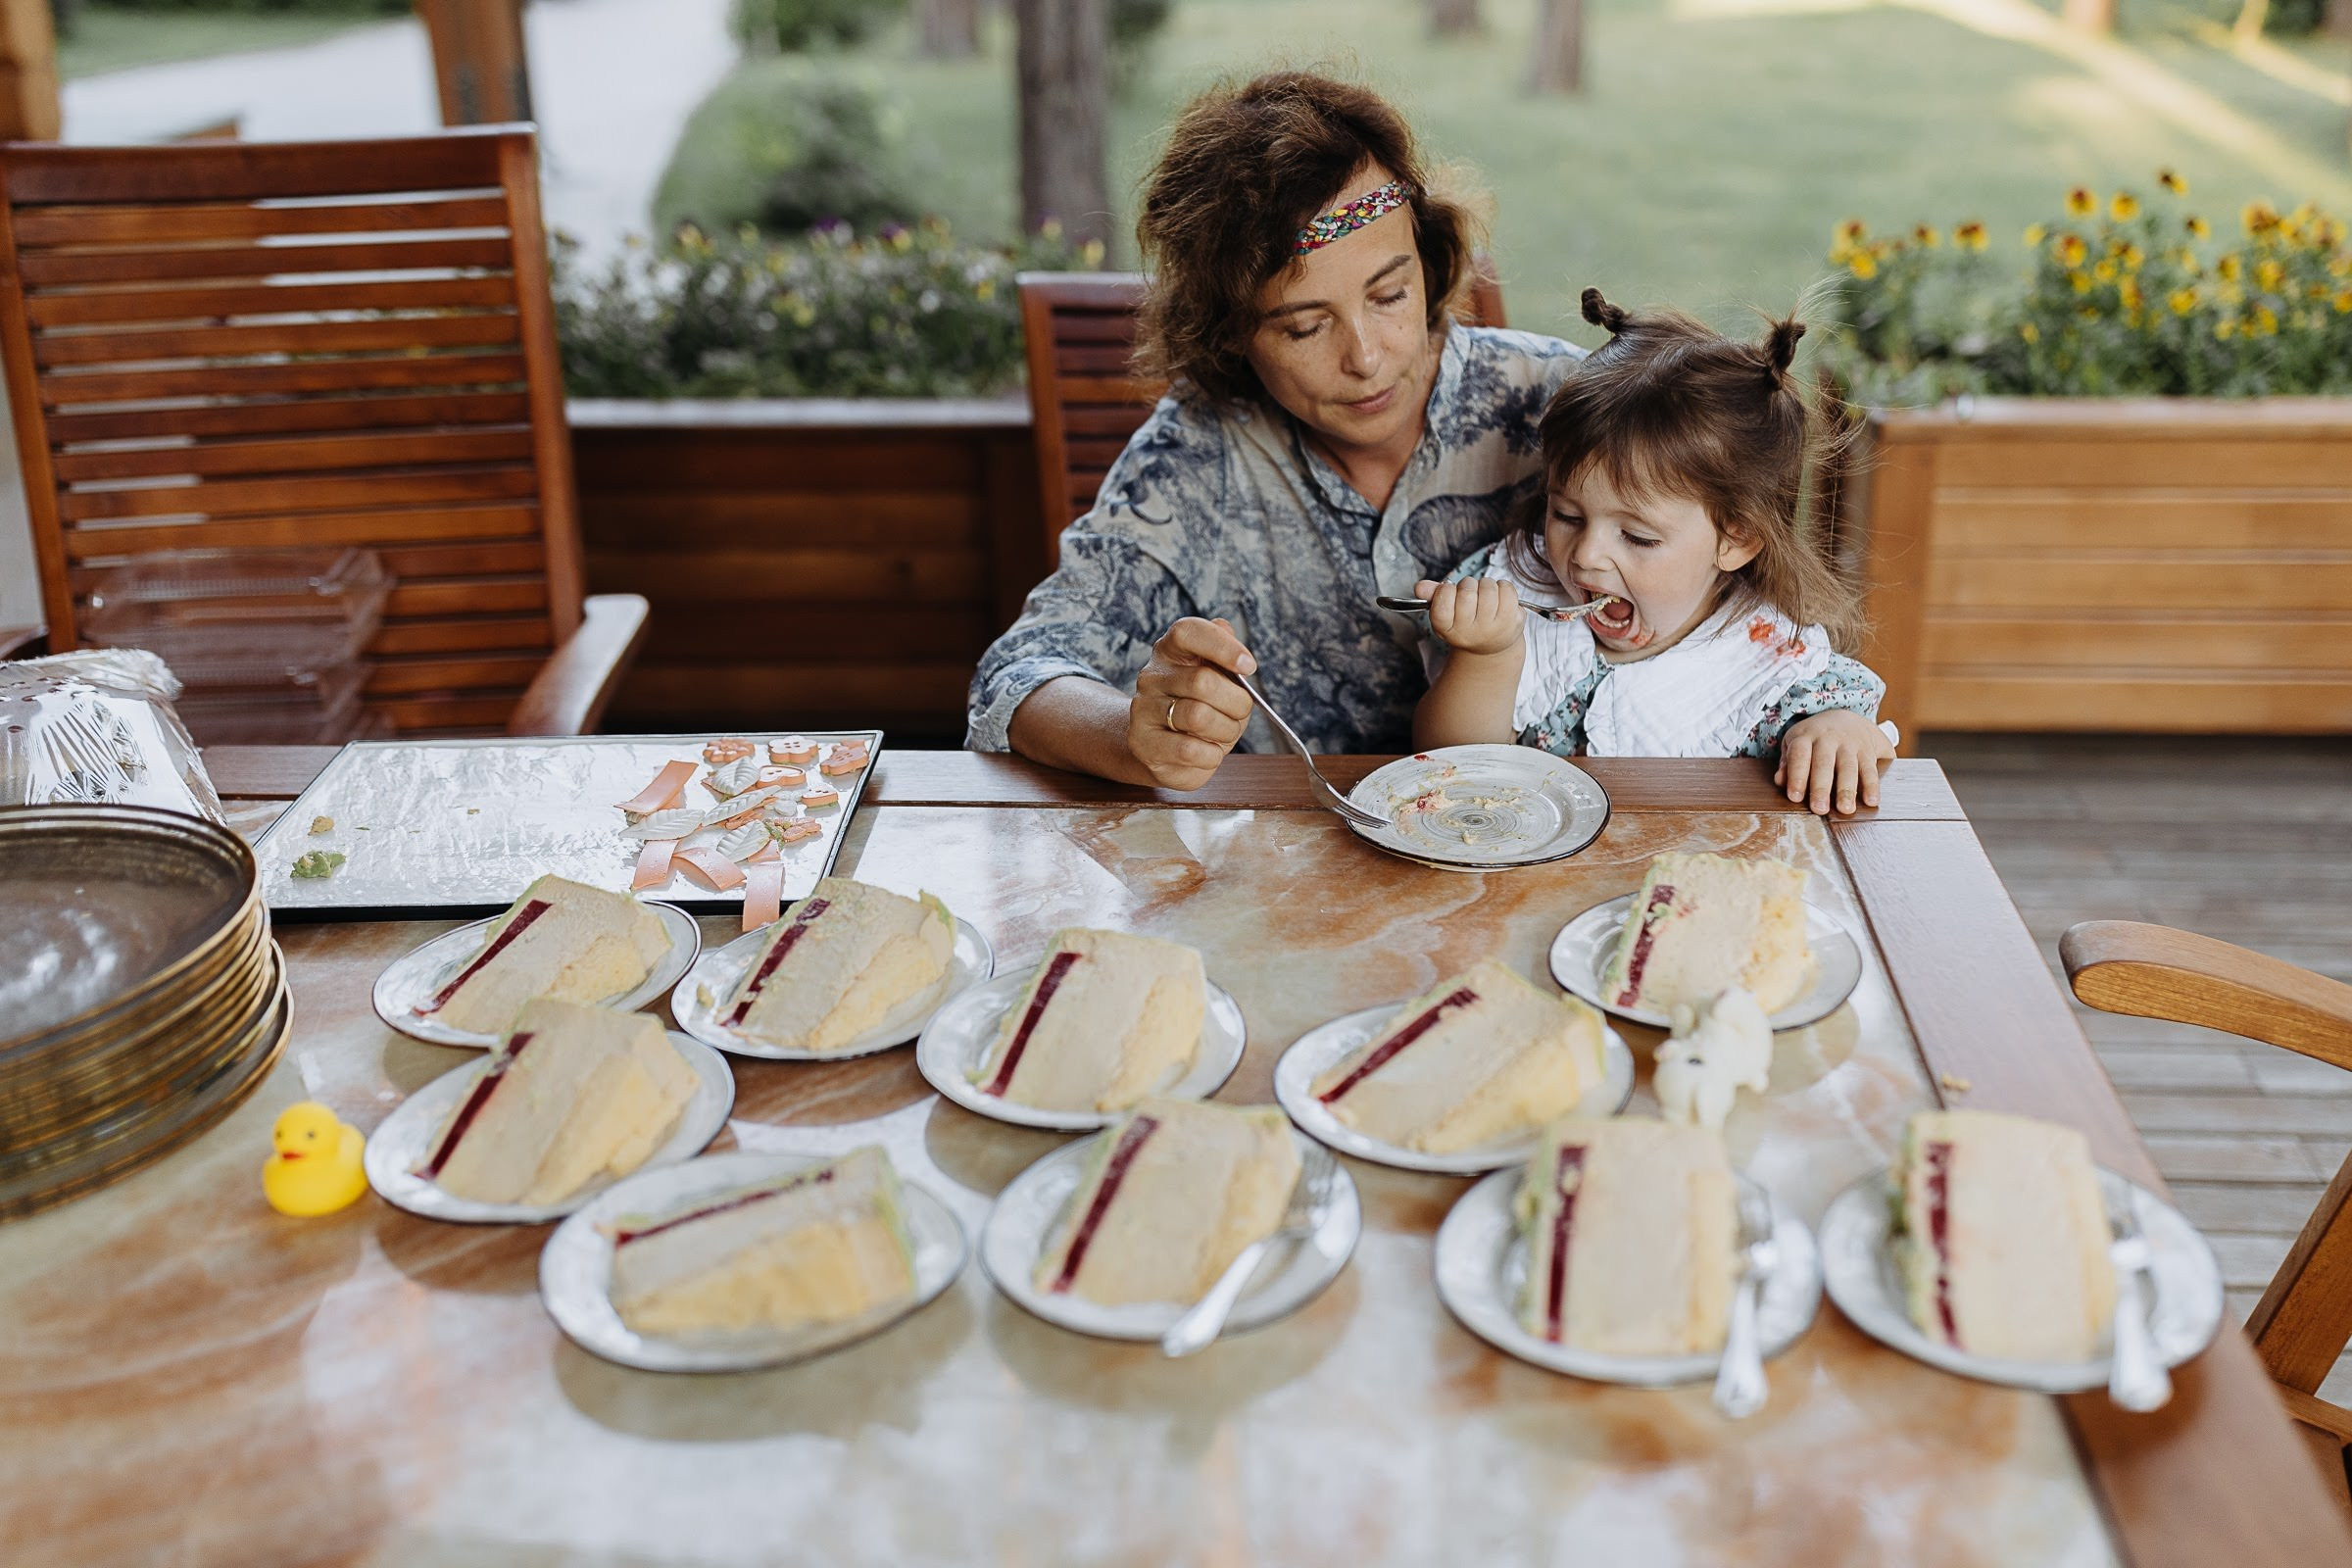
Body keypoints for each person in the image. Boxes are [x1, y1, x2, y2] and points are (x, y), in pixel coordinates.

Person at [966, 71, 1583, 788]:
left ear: (1429, 254)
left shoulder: (1559, 404)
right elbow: (1015, 677)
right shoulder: (1199, 453)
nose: (1367, 357)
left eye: (1390, 294)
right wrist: (1131, 734)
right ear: (1230, 334)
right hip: (1287, 845)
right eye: (1304, 327)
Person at [1412, 289, 1896, 815]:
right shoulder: (1516, 589)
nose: (1586, 555)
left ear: (1735, 540)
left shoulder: (1770, 660)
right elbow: (1447, 764)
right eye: (1567, 516)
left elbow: (1856, 740)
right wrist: (1486, 658)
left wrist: (1838, 734)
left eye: (1638, 537)